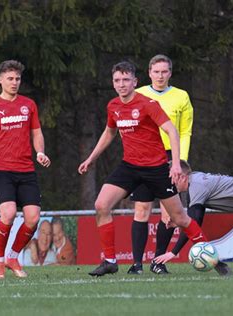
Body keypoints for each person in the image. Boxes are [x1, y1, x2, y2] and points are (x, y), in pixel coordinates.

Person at [78, 61, 207, 277]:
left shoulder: (148, 104)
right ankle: (110, 260)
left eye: (126, 80)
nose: (122, 84)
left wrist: (175, 163)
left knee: (180, 218)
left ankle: (209, 253)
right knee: (101, 205)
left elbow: (172, 131)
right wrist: (92, 158)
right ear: (113, 82)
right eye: (117, 80)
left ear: (135, 82)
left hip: (156, 168)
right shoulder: (113, 106)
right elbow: (110, 132)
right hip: (129, 166)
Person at [0, 60, 51, 279]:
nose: (14, 82)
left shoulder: (29, 105)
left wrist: (40, 152)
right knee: (7, 214)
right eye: (10, 78)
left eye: (17, 79)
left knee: (33, 218)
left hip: (26, 170)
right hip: (2, 170)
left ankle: (13, 257)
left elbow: (36, 133)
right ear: (0, 80)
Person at [128, 54, 194, 275]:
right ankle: (136, 264)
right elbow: (128, 128)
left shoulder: (181, 96)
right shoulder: (138, 95)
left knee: (169, 215)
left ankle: (158, 262)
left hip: (170, 159)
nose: (160, 75)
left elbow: (184, 131)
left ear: (170, 73)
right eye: (156, 72)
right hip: (144, 157)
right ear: (149, 73)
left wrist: (179, 161)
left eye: (164, 71)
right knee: (142, 209)